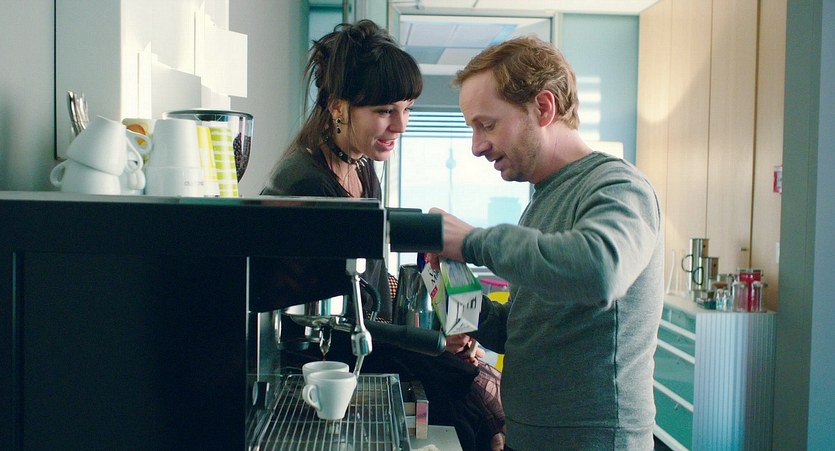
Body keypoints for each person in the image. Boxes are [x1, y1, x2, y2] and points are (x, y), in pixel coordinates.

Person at [260, 20, 504, 451]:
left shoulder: (359, 166)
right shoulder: (307, 186)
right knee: (470, 401)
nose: (401, 125)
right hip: (326, 361)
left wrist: (434, 318)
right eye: (385, 111)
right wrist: (429, 343)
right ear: (338, 107)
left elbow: (370, 279)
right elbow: (332, 317)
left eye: (407, 109)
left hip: (367, 340)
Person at [427, 35, 664, 450]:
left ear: (543, 107)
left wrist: (472, 242)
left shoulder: (618, 186)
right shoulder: (540, 202)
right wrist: (452, 288)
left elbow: (601, 270)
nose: (477, 146)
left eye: (487, 124)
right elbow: (522, 330)